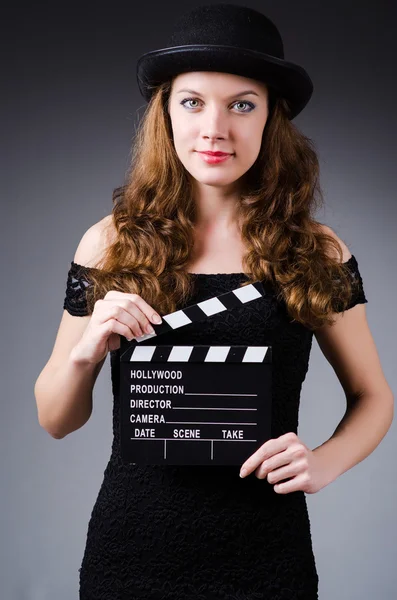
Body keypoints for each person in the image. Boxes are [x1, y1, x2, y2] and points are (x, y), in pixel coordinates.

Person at [34, 3, 394, 599]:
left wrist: (325, 462)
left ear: (270, 118)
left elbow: (374, 396)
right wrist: (84, 354)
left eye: (242, 105)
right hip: (132, 550)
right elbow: (55, 420)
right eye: (193, 101)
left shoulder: (315, 251)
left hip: (266, 553)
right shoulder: (112, 241)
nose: (214, 128)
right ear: (166, 114)